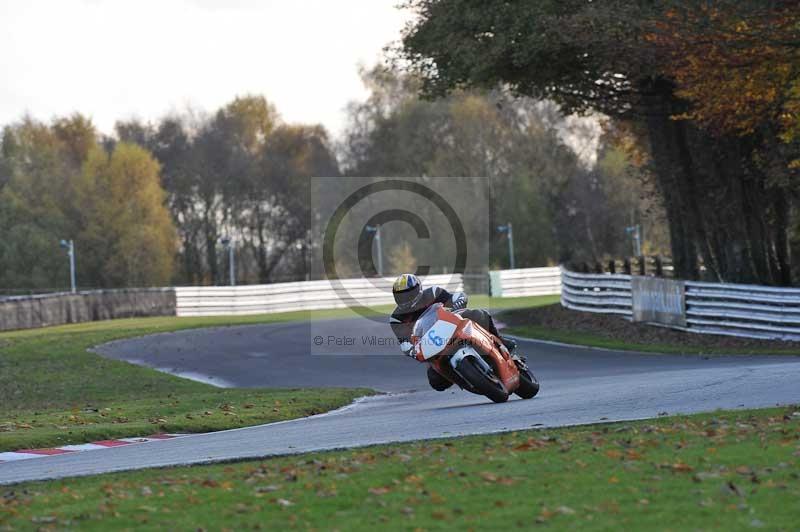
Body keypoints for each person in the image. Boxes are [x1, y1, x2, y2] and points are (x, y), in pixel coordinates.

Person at [389, 273, 518, 391]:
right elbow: (404, 341)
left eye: (408, 294)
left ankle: (501, 340)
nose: (405, 298)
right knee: (436, 382)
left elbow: (453, 299)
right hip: (431, 344)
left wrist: (458, 302)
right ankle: (465, 378)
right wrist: (411, 350)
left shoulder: (433, 293)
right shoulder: (396, 318)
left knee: (479, 314)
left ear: (418, 290)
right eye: (401, 296)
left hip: (451, 324)